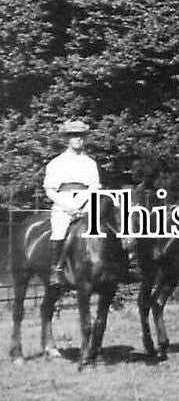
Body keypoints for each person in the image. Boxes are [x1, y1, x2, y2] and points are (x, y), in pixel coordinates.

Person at [43, 119, 102, 286]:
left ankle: (117, 265)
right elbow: (50, 190)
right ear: (67, 139)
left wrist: (83, 204)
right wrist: (68, 207)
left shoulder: (90, 163)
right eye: (74, 136)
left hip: (87, 201)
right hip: (64, 203)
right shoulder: (56, 163)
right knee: (60, 230)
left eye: (81, 136)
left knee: (107, 225)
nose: (78, 139)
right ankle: (57, 269)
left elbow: (94, 186)